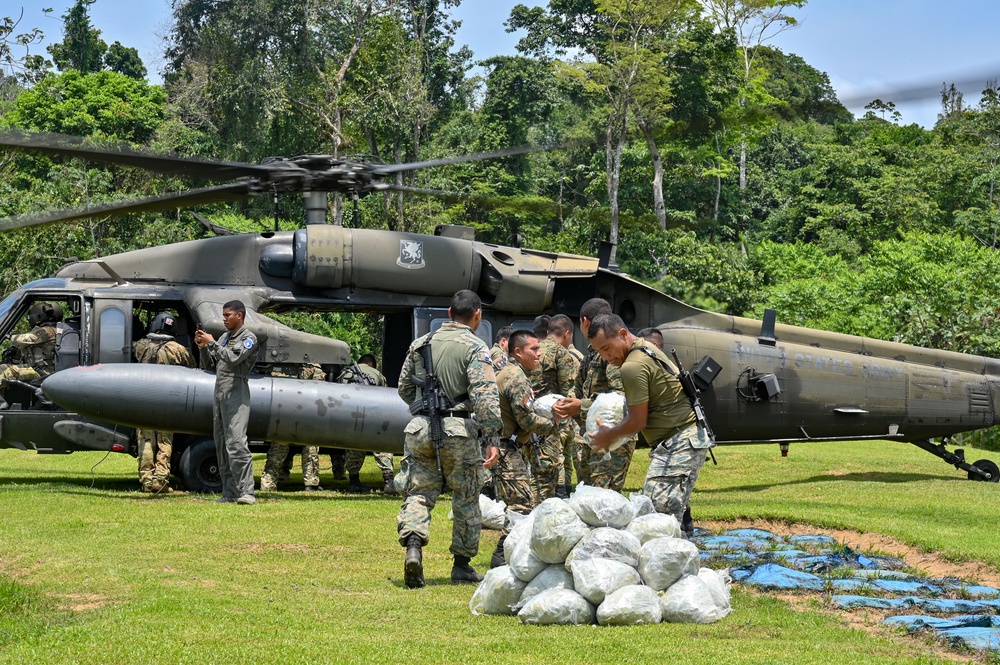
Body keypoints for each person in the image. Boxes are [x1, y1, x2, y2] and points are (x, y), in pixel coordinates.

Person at [396, 289, 501, 589]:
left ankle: (414, 548)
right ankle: (462, 566)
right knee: (466, 497)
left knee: (417, 492)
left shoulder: (420, 343)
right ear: (477, 314)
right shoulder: (475, 346)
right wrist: (492, 436)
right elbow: (486, 398)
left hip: (419, 429)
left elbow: (404, 388)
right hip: (459, 430)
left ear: (449, 312)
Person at [585, 313, 712, 528]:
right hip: (684, 439)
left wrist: (608, 435)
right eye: (599, 352)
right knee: (661, 520)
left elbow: (637, 421)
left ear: (623, 334)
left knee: (657, 523)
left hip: (679, 442)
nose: (606, 357)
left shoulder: (632, 366)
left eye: (606, 348)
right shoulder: (646, 347)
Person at [491, 329, 559, 567]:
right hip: (504, 449)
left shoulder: (512, 373)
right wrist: (555, 424)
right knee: (521, 503)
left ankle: (507, 554)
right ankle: (502, 556)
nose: (539, 354)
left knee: (520, 501)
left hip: (507, 447)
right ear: (518, 352)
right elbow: (527, 421)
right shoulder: (517, 378)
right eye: (534, 349)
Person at [553, 298, 636, 492]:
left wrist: (580, 406)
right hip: (595, 433)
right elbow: (580, 386)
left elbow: (621, 400)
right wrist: (566, 404)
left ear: (585, 322)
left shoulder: (612, 353)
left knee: (604, 497)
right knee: (589, 495)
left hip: (614, 434)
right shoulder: (594, 352)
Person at [195, 300, 258, 506]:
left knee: (237, 443)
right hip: (220, 393)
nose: (224, 318)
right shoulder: (224, 338)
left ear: (239, 315)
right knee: (222, 444)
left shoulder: (248, 338)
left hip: (237, 393)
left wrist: (212, 342)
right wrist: (203, 347)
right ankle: (230, 492)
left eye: (227, 315)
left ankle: (247, 492)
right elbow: (210, 365)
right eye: (223, 315)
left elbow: (232, 358)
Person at [132, 311, 196, 494]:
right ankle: (160, 481)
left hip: (143, 400)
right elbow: (192, 368)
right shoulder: (179, 349)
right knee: (164, 442)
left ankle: (146, 481)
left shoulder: (141, 346)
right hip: (167, 403)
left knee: (145, 441)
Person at [528, 313, 578, 500]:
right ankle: (557, 498)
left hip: (528, 417)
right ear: (566, 334)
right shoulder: (560, 353)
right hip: (551, 419)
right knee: (554, 463)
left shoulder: (532, 350)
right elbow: (569, 391)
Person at [259, 363, 326, 492]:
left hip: (282, 415)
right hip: (304, 415)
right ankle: (311, 484)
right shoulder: (313, 367)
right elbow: (320, 390)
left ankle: (267, 484)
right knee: (310, 449)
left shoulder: (276, 367)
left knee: (277, 452)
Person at [338, 354, 396, 494]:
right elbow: (384, 397)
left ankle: (354, 482)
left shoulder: (345, 373)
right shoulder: (377, 374)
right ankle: (388, 482)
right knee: (381, 445)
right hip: (373, 415)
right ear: (371, 364)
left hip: (351, 416)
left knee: (353, 446)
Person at [0, 302, 62, 392]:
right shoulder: (58, 330)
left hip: (43, 372)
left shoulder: (47, 330)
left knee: (4, 370)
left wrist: (9, 336)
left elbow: (24, 339)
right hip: (43, 370)